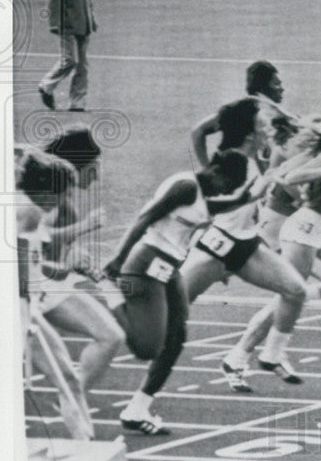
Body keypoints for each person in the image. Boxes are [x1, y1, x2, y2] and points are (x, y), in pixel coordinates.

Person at [220, 105, 321, 393]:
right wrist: (318, 177)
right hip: (303, 232)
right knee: (286, 297)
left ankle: (255, 348)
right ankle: (250, 355)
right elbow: (287, 175)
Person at [105, 150, 250, 435]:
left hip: (168, 269)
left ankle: (137, 408)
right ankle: (109, 295)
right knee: (148, 346)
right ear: (216, 172)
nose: (225, 191)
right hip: (147, 262)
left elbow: (236, 200)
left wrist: (267, 180)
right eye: (226, 184)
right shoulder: (185, 186)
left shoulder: (205, 197)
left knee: (176, 337)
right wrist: (118, 258)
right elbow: (144, 218)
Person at [181, 97, 309, 385]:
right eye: (261, 122)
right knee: (168, 315)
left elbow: (283, 171)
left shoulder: (257, 155)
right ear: (250, 131)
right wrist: (207, 174)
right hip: (217, 249)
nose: (267, 125)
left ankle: (270, 355)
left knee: (296, 291)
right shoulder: (231, 161)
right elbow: (199, 135)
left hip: (247, 247)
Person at [16, 148, 97, 440]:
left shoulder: (30, 211)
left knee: (70, 379)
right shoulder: (27, 213)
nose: (64, 201)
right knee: (64, 380)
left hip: (29, 310)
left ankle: (86, 443)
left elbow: (34, 267)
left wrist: (68, 271)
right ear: (48, 191)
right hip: (19, 313)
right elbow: (15, 271)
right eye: (62, 194)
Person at [38, 128, 126, 395]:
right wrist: (84, 227)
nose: (97, 176)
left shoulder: (65, 197)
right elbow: (35, 237)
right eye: (93, 168)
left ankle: (74, 397)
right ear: (76, 166)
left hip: (48, 286)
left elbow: (58, 252)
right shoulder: (46, 194)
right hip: (26, 287)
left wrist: (78, 257)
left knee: (111, 336)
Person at [38, 0, 96, 112]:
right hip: (67, 23)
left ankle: (77, 103)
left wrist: (92, 19)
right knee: (69, 60)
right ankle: (46, 85)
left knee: (82, 66)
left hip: (84, 23)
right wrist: (55, 23)